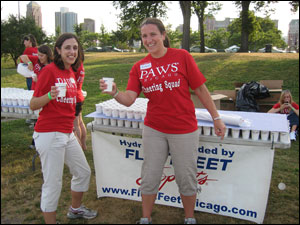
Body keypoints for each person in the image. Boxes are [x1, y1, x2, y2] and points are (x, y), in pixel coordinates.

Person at [99, 18, 226, 224]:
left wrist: (217, 118)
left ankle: (189, 218)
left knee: (186, 176)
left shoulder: (182, 56)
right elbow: (129, 99)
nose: (149, 40)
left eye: (153, 34)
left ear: (163, 35)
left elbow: (200, 89)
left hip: (184, 128)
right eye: (144, 36)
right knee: (150, 175)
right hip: (154, 129)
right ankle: (146, 218)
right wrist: (115, 93)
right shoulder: (139, 67)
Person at [30, 33, 97, 224]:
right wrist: (49, 96)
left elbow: (70, 105)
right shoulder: (49, 71)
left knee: (83, 172)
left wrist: (74, 128)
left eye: (75, 48)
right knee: (53, 183)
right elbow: (33, 104)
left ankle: (75, 210)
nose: (72, 52)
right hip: (49, 134)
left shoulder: (70, 72)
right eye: (67, 47)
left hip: (66, 133)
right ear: (58, 50)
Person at [20, 45, 54, 149]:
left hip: (45, 96)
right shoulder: (37, 61)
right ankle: (36, 141)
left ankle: (37, 142)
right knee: (38, 118)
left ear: (48, 55)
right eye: (38, 55)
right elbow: (23, 56)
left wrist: (38, 79)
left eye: (42, 55)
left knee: (42, 119)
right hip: (35, 93)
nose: (39, 57)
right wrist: (29, 63)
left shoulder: (51, 67)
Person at [73, 62, 87, 151]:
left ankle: (79, 147)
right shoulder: (80, 64)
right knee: (80, 122)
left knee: (75, 124)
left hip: (75, 97)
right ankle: (83, 145)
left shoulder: (73, 66)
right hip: (79, 95)